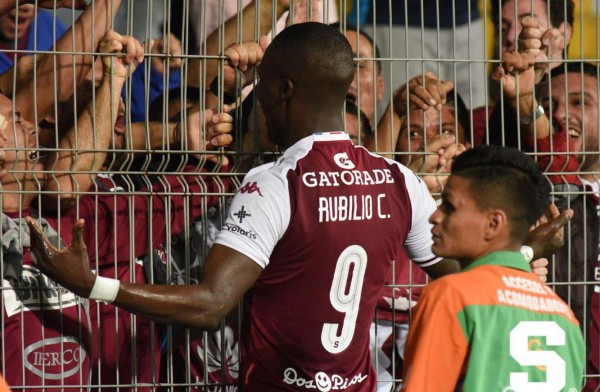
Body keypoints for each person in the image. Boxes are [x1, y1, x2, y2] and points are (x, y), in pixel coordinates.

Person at [26, 22, 463, 391]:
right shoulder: (398, 181)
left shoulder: (277, 184)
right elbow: (459, 275)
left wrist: (93, 285)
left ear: (283, 91)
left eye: (265, 91)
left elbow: (212, 304)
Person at [401, 145, 585, 391]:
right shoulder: (565, 318)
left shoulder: (452, 296)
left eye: (448, 206)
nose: (434, 216)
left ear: (493, 223)